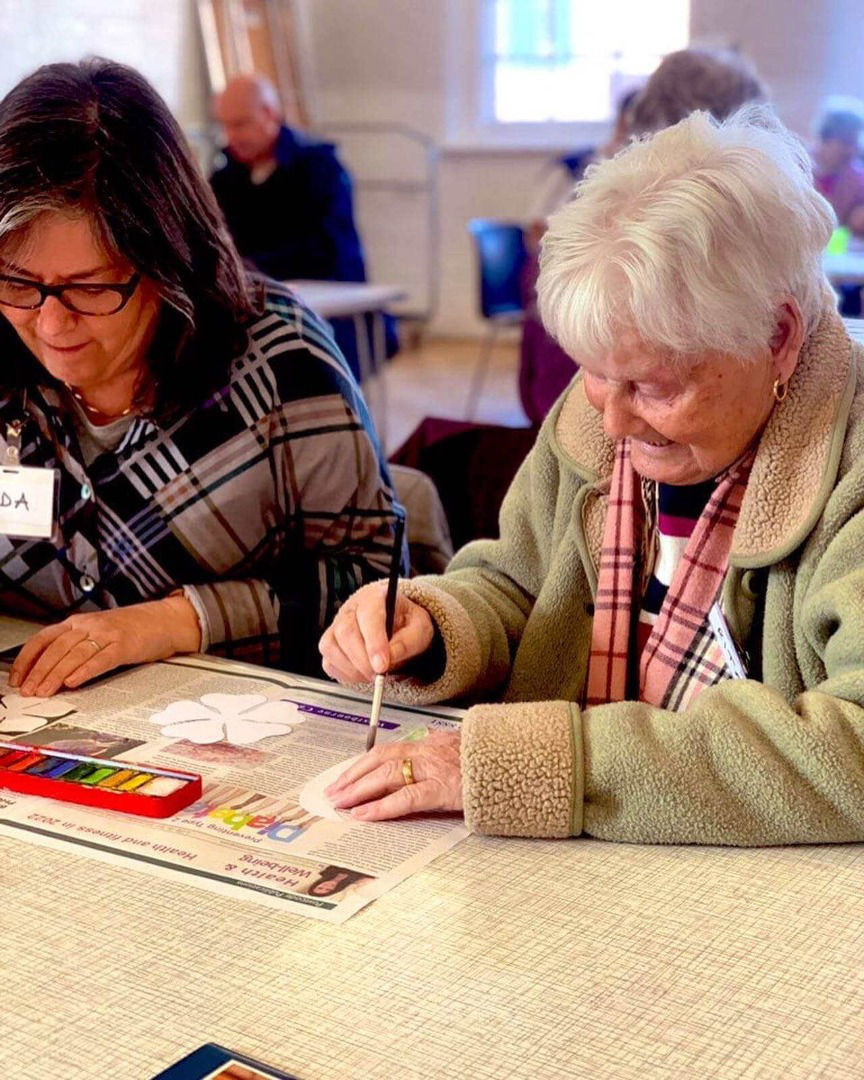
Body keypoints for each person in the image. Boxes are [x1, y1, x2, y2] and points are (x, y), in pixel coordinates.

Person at [319, 106, 864, 848]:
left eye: (657, 387)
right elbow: (520, 585)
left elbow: (854, 745)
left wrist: (545, 766)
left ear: (778, 335)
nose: (615, 423)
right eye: (595, 373)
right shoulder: (600, 407)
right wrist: (436, 627)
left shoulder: (851, 456)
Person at [0, 59, 402, 697]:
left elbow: (377, 586)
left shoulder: (278, 363)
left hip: (239, 724)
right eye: (19, 282)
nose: (51, 324)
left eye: (92, 287)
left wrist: (178, 620)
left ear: (167, 259)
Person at [210, 75, 395, 380]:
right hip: (254, 309)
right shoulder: (225, 177)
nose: (231, 136)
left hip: (327, 314)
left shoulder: (320, 167)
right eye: (225, 126)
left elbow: (328, 248)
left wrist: (253, 266)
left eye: (240, 124)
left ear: (269, 114)